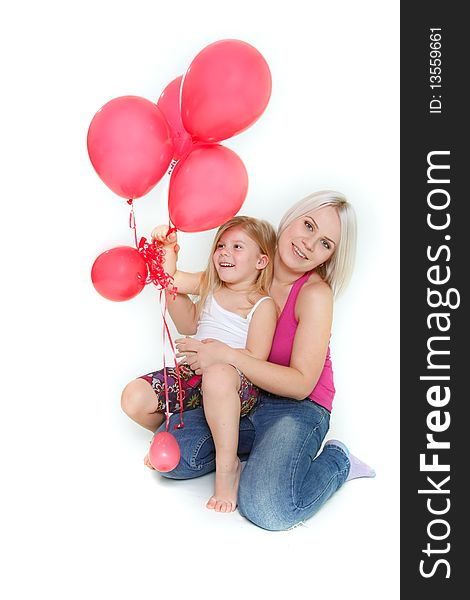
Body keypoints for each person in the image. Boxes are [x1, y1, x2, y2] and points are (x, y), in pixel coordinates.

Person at [171, 191, 376, 531]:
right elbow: (190, 315)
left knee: (269, 509)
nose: (309, 244)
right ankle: (250, 456)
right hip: (245, 397)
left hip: (297, 406)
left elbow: (300, 384)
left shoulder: (314, 294)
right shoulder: (247, 265)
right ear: (291, 217)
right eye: (308, 226)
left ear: (329, 257)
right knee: (174, 457)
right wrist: (167, 270)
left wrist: (226, 354)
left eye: (325, 244)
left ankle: (338, 461)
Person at [121, 216, 278, 512]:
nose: (224, 252)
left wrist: (218, 355)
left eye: (237, 246)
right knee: (134, 398)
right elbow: (181, 304)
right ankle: (165, 435)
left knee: (218, 375)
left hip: (235, 386)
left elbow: (256, 361)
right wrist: (168, 249)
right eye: (220, 245)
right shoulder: (209, 283)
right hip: (192, 376)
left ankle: (227, 467)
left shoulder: (262, 305)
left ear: (261, 261)